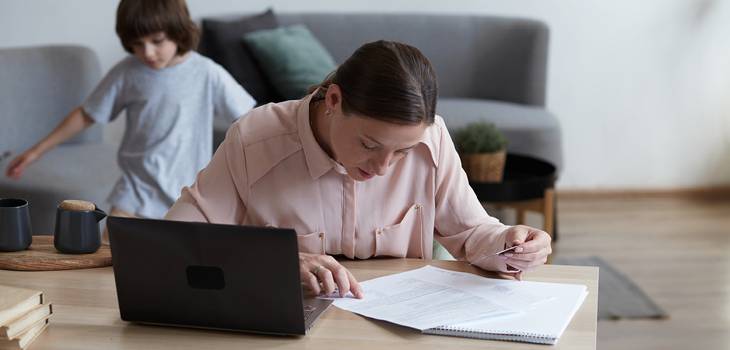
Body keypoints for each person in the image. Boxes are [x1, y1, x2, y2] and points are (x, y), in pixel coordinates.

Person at [165, 40, 551, 299]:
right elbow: (173, 240)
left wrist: (511, 243)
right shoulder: (254, 139)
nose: (384, 167)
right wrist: (270, 261)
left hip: (397, 326)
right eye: (370, 145)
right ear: (333, 99)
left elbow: (470, 233)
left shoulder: (432, 140)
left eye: (401, 152)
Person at [5, 0, 256, 242]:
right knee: (109, 258)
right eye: (137, 44)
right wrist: (36, 151)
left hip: (189, 194)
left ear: (179, 32)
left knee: (178, 266)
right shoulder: (128, 72)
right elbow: (86, 114)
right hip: (134, 192)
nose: (147, 52)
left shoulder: (206, 72)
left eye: (157, 41)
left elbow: (251, 118)